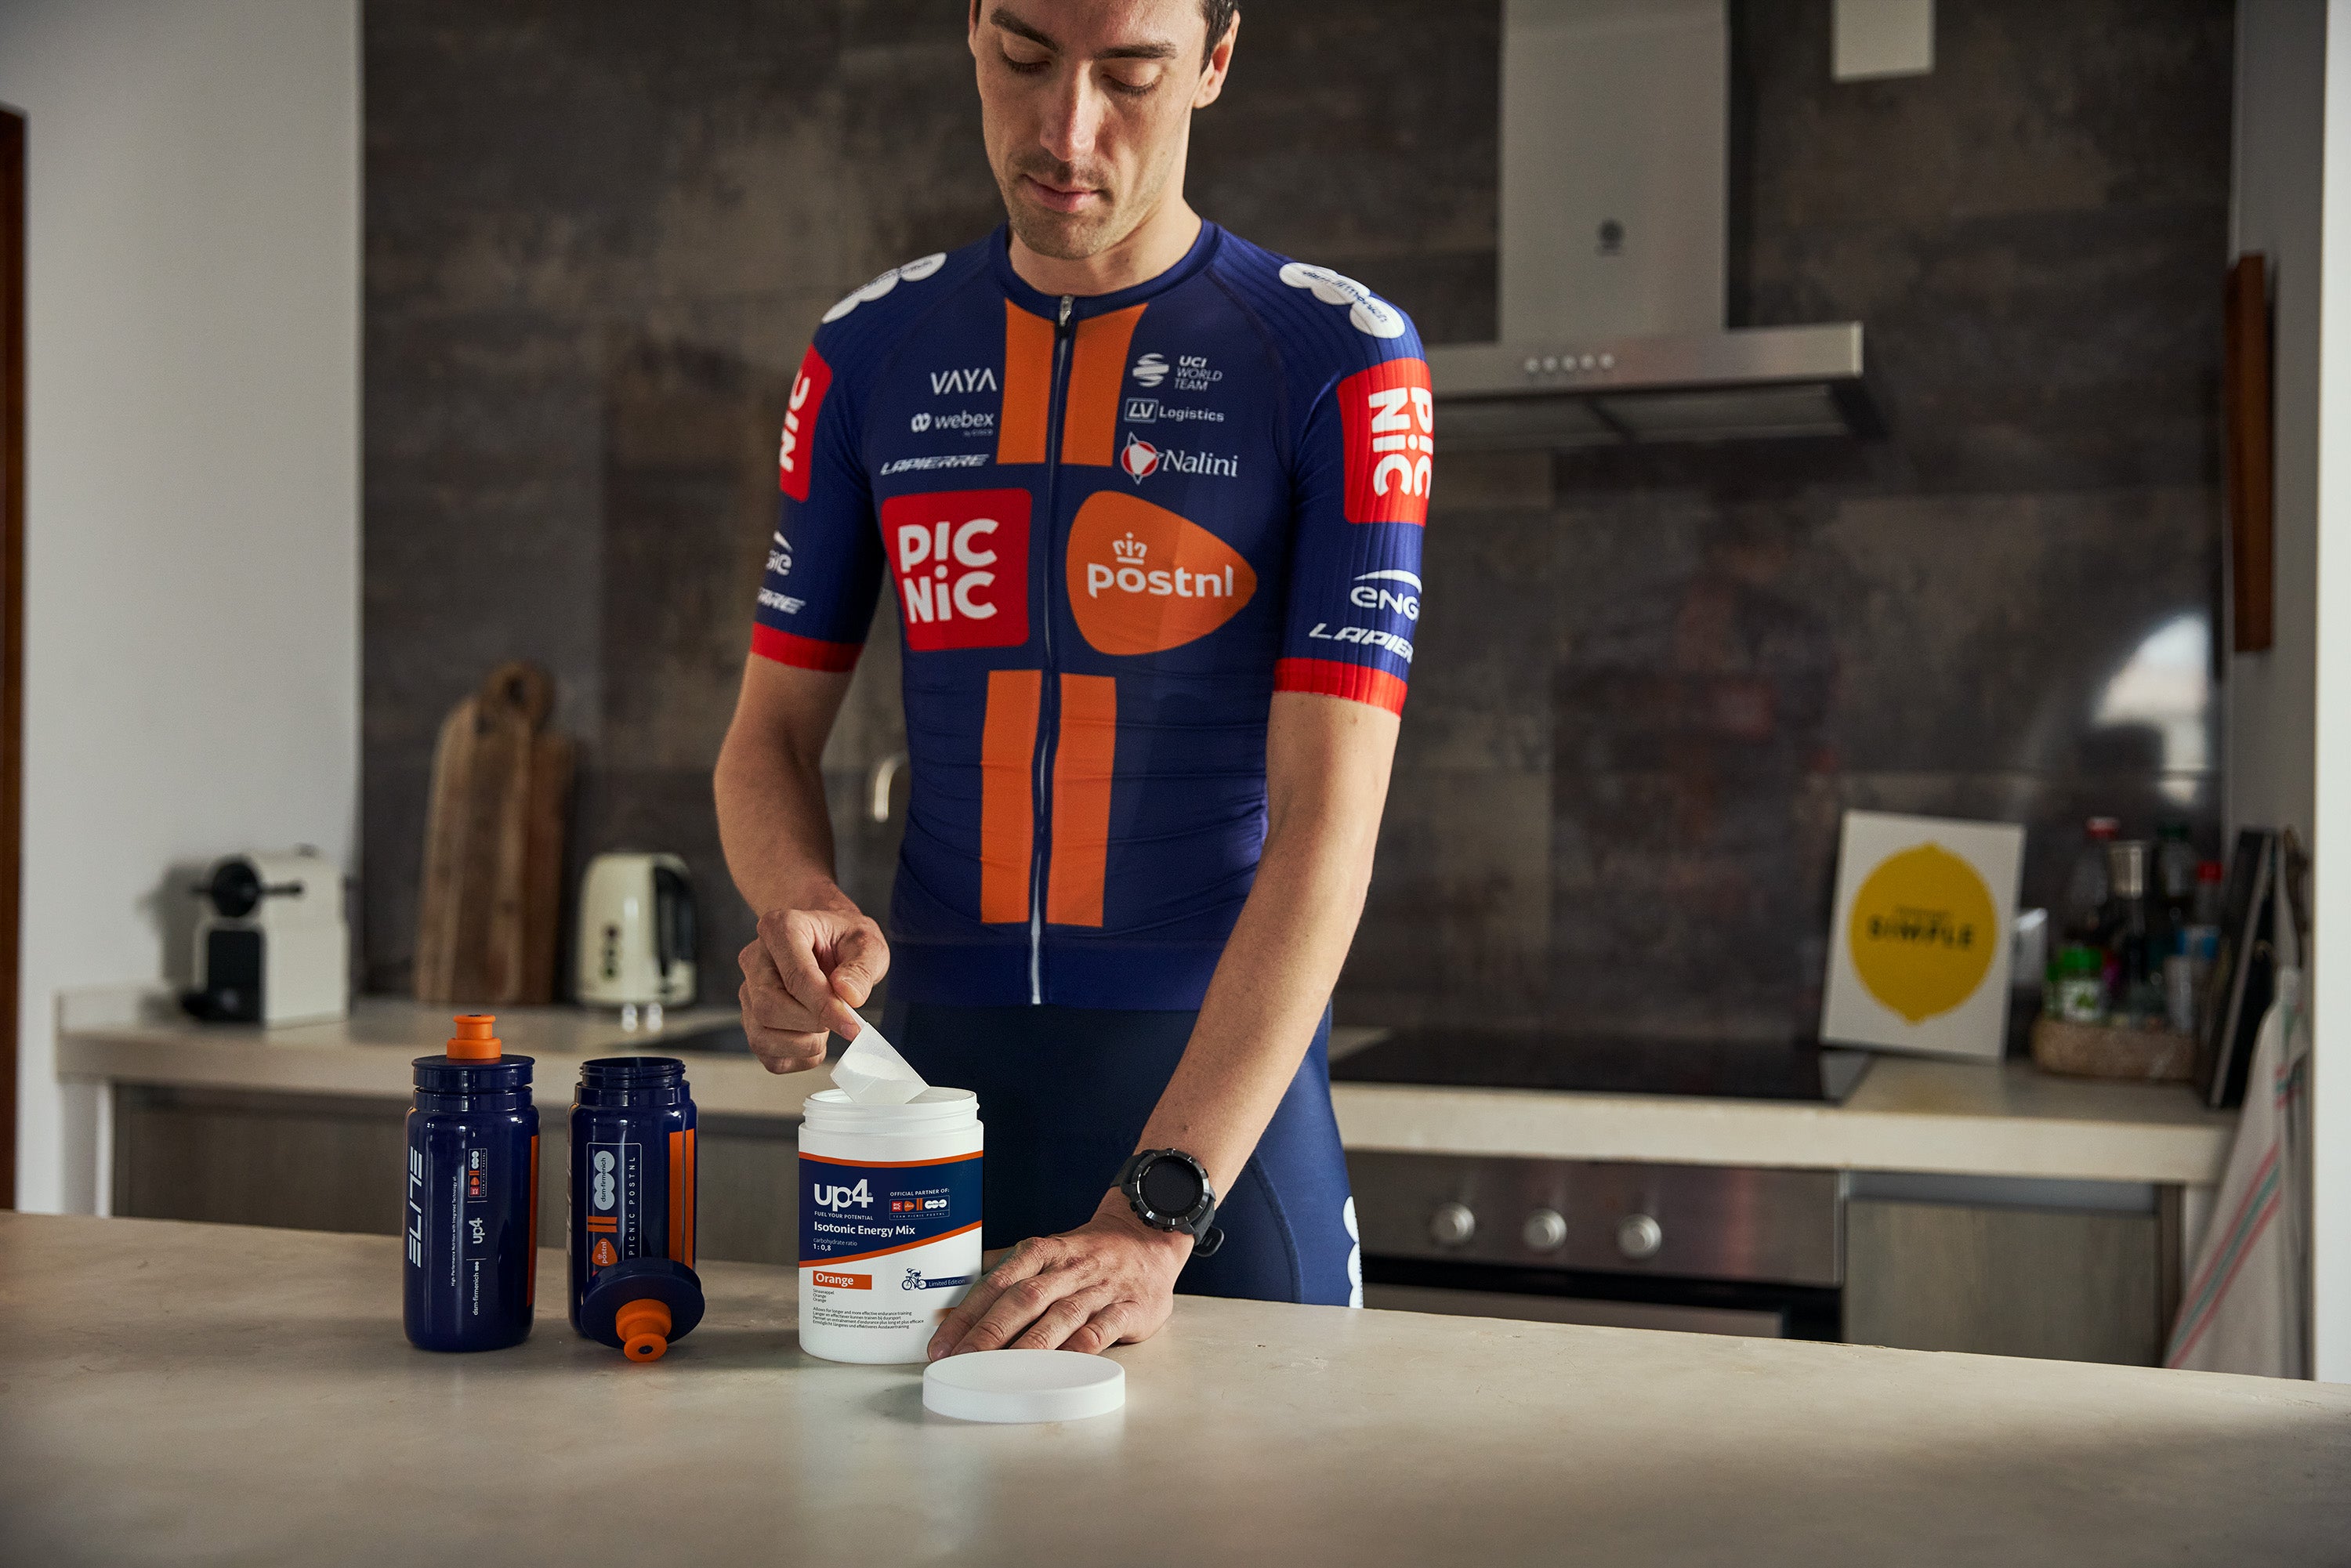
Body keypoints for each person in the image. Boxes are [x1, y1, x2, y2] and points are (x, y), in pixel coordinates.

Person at [714, 0, 1431, 1360]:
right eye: (1026, 58)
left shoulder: (1339, 362)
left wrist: (1157, 1214)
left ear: (1217, 62)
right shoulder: (867, 353)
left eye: (1133, 75)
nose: (1066, 131)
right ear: (973, 27)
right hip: (923, 1094)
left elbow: (1333, 817)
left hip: (1214, 1131)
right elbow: (765, 742)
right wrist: (796, 903)